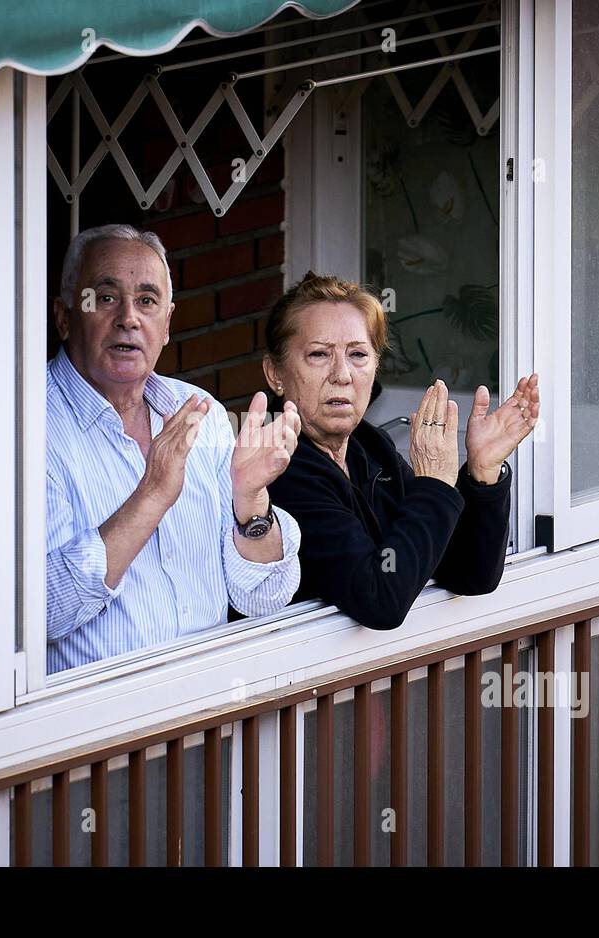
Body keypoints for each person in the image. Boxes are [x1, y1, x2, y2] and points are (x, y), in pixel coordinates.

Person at [46, 224, 304, 673]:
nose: (129, 317)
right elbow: (42, 612)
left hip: (209, 716)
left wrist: (251, 504)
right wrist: (153, 493)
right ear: (65, 316)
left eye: (147, 301)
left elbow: (262, 598)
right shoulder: (24, 430)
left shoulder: (200, 414)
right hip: (97, 730)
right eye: (106, 298)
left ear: (166, 325)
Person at [263, 272, 540, 629]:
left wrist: (482, 474)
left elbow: (468, 572)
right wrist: (435, 485)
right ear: (275, 373)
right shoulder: (279, 468)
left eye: (358, 355)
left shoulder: (371, 448)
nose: (342, 375)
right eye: (319, 354)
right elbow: (379, 597)